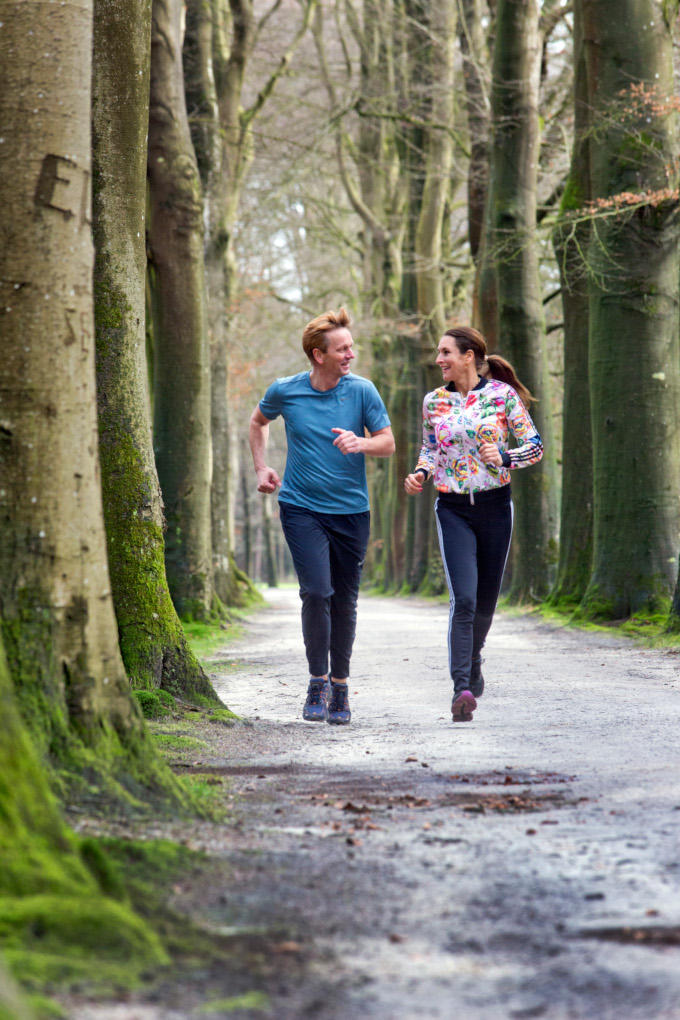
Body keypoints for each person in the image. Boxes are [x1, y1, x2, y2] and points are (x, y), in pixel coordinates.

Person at [249, 309, 395, 725]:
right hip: (300, 506)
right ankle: (318, 680)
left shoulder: (363, 391)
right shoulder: (286, 391)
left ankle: (342, 688)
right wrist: (262, 467)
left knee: (345, 600)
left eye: (351, 346)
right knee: (316, 591)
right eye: (342, 349)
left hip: (351, 511)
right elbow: (258, 422)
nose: (351, 354)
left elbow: (387, 443)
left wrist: (360, 443)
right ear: (318, 354)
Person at [404, 325, 543, 722]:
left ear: (469, 356)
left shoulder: (502, 397)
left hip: (496, 506)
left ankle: (474, 655)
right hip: (452, 509)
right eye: (438, 353)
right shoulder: (434, 402)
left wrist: (504, 456)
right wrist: (420, 473)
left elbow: (534, 446)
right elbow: (429, 447)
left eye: (445, 352)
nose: (438, 359)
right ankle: (461, 688)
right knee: (463, 599)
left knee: (485, 600)